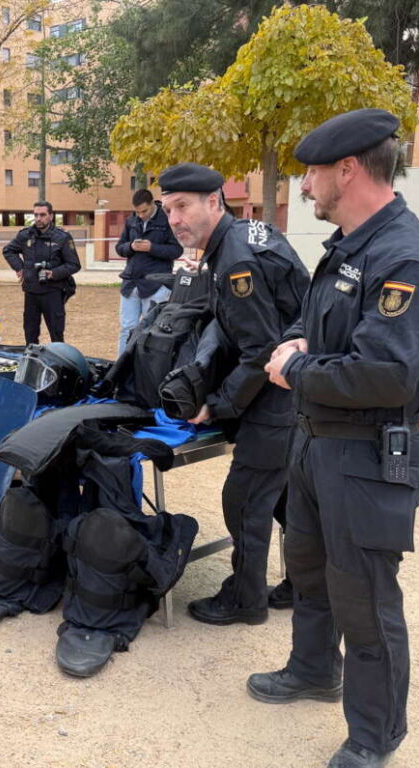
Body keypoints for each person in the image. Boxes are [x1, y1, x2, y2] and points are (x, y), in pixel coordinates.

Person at [256, 109, 419, 768]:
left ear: (346, 169)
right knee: (311, 574)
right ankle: (313, 670)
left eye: (312, 174)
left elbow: (387, 373)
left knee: (366, 599)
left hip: (365, 456)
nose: (305, 188)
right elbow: (325, 329)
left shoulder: (404, 256)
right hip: (319, 445)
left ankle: (375, 736)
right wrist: (298, 340)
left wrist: (296, 368)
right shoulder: (351, 246)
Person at [158, 162, 309, 627]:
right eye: (167, 210)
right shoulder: (239, 238)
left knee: (243, 499)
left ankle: (246, 600)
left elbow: (260, 349)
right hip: (293, 392)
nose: (175, 219)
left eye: (182, 206)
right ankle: (303, 585)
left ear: (213, 201)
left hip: (278, 398)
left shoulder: (236, 258)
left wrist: (218, 404)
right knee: (282, 499)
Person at [114, 189, 183, 356]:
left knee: (151, 330)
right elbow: (119, 248)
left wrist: (152, 248)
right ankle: (118, 371)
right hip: (131, 283)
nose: (141, 215)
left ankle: (145, 370)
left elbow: (176, 250)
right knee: (126, 328)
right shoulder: (131, 221)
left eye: (144, 211)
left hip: (156, 284)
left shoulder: (168, 221)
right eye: (137, 212)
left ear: (153, 204)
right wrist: (131, 247)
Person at [3, 201, 81, 344]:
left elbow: (74, 265)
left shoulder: (62, 237)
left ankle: (58, 364)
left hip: (53, 293)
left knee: (56, 335)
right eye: (36, 215)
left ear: (51, 216)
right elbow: (8, 250)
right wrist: (20, 268)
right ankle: (32, 362)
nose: (38, 218)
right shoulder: (25, 235)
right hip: (31, 292)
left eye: (43, 215)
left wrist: (54, 273)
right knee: (30, 334)